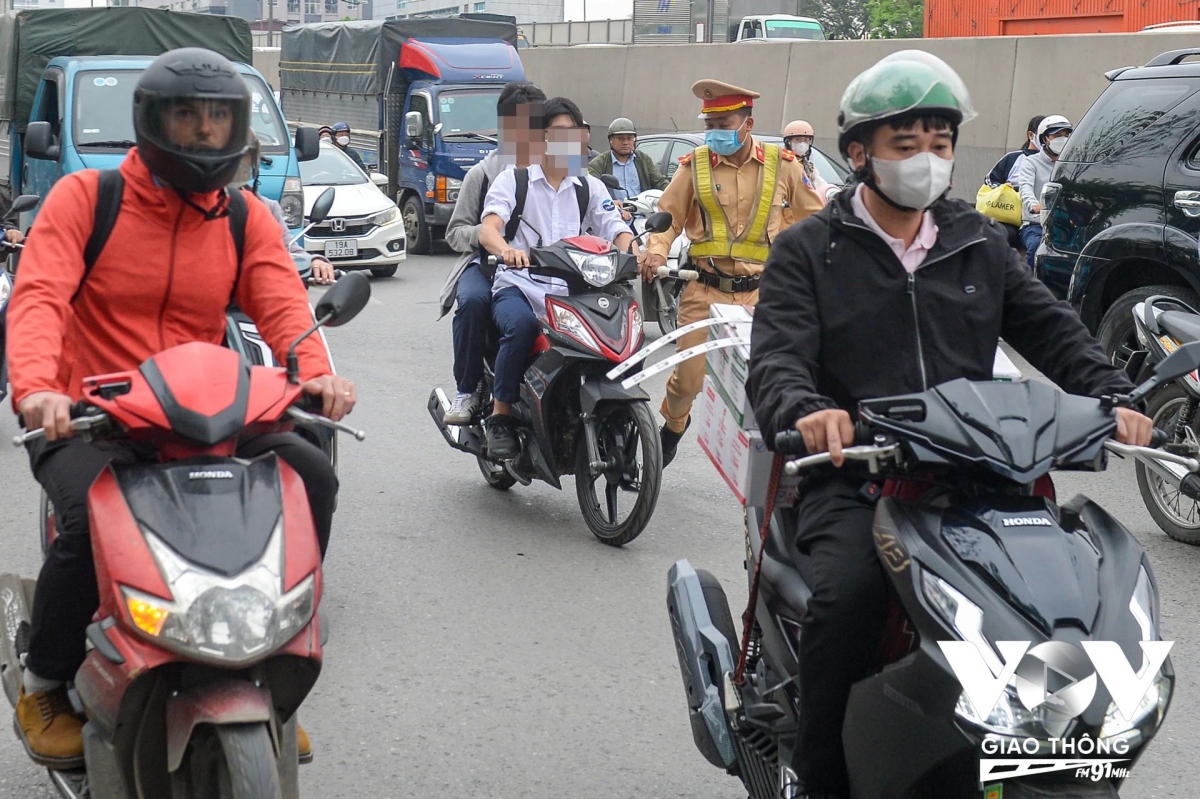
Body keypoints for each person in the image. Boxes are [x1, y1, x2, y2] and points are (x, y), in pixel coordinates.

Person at [746, 51, 1151, 799]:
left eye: (941, 143)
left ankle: (1039, 751)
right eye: (907, 145)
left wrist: (1113, 395)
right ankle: (817, 771)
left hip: (980, 474)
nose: (927, 160)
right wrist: (809, 412)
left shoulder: (976, 240)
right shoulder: (811, 248)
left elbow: (1053, 328)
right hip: (861, 475)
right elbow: (776, 357)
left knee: (1062, 603)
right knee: (851, 598)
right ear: (860, 152)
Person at [8, 48, 354, 770]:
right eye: (187, 116)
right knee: (87, 518)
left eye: (217, 116)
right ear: (152, 120)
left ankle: (275, 661)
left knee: (310, 476)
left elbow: (285, 307)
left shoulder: (241, 217)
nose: (202, 132)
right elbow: (39, 295)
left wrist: (317, 374)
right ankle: (44, 680)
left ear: (238, 125)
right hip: (85, 411)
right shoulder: (85, 199)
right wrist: (38, 386)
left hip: (202, 411)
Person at [641, 80, 823, 467]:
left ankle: (776, 459)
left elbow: (815, 220)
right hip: (705, 290)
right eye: (711, 124)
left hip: (765, 294)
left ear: (748, 123)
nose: (715, 133)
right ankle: (674, 427)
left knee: (775, 379)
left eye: (724, 124)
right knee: (687, 380)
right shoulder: (695, 167)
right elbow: (668, 217)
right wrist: (655, 252)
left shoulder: (783, 166)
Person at [477, 96, 633, 458]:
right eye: (559, 132)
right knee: (520, 327)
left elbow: (615, 226)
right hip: (520, 286)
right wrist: (506, 251)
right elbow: (489, 229)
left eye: (574, 132)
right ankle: (501, 416)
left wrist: (634, 253)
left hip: (572, 291)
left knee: (617, 331)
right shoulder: (514, 181)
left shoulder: (589, 186)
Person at [439, 81, 547, 425]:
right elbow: (455, 232)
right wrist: (491, 238)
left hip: (546, 267)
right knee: (473, 302)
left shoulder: (562, 170)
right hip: (487, 266)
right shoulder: (483, 174)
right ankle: (467, 390)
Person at [233, 129, 335, 285]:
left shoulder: (267, 208)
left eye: (242, 161)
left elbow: (289, 249)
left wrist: (315, 261)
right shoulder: (190, 209)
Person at [1018, 114, 1072, 270]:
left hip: (1064, 224)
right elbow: (1025, 187)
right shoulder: (1031, 162)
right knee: (1036, 247)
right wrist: (1034, 204)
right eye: (1057, 135)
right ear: (1044, 139)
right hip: (1036, 225)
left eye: (1066, 135)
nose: (1062, 139)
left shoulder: (1071, 165)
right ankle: (1028, 289)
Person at [587, 118, 670, 214]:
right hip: (613, 215)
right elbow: (590, 188)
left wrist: (675, 195)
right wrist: (609, 202)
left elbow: (660, 182)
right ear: (610, 140)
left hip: (643, 214)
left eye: (629, 138)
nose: (625, 142)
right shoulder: (600, 162)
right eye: (620, 138)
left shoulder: (643, 159)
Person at [986, 114, 1045, 188]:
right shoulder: (1012, 158)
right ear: (1030, 135)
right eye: (1043, 135)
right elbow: (990, 180)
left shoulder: (1056, 162)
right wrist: (1002, 187)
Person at [782, 119, 831, 204]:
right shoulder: (782, 163)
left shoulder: (809, 167)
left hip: (806, 209)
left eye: (806, 140)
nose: (802, 144)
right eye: (797, 140)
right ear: (788, 142)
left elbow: (820, 184)